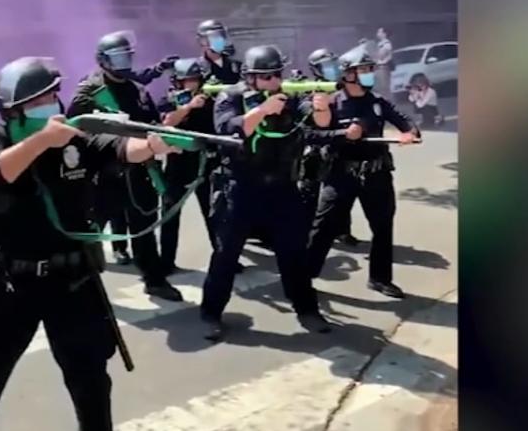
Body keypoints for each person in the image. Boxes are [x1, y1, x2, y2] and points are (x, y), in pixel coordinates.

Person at [0, 56, 178, 431]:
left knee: (92, 389)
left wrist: (154, 143)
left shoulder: (74, 137)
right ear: (14, 109)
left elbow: (119, 147)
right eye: (42, 99)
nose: (54, 104)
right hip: (10, 286)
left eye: (54, 95)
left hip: (73, 282)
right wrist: (41, 142)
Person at [199, 45, 341, 341]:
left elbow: (320, 122)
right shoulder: (232, 97)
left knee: (293, 254)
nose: (274, 81)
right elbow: (228, 130)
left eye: (277, 74)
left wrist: (321, 105)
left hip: (282, 189)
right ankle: (211, 313)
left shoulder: (291, 96)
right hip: (240, 188)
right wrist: (261, 111)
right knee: (226, 255)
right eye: (266, 76)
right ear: (250, 78)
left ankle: (307, 309)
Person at [67, 31, 183, 301]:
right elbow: (75, 129)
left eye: (127, 55)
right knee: (90, 231)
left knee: (144, 227)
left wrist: (166, 138)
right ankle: (78, 283)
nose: (125, 61)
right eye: (118, 56)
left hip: (138, 170)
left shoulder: (138, 90)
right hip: (103, 174)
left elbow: (152, 124)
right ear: (103, 60)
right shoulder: (89, 90)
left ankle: (154, 280)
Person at [306, 45, 420, 299]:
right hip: (341, 174)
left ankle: (380, 279)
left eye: (371, 69)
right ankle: (304, 278)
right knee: (323, 227)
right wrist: (343, 135)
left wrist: (409, 133)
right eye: (364, 69)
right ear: (347, 74)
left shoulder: (377, 102)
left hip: (376, 174)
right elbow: (314, 134)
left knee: (382, 227)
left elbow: (406, 121)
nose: (369, 74)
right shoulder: (330, 102)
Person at [156, 59, 218, 275]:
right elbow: (165, 123)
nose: (191, 84)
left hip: (205, 163)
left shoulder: (210, 99)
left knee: (214, 213)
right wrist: (189, 107)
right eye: (187, 80)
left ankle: (222, 257)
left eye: (195, 80)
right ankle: (166, 262)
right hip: (178, 165)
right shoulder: (170, 99)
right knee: (171, 215)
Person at [298, 49, 357, 245]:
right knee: (309, 194)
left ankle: (342, 230)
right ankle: (306, 234)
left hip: (339, 147)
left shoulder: (344, 89)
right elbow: (307, 125)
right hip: (315, 151)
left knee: (343, 194)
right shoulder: (310, 91)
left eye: (333, 64)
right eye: (326, 66)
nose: (331, 69)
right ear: (316, 70)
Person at [195, 19, 243, 85]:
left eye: (221, 36)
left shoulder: (236, 66)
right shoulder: (197, 68)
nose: (219, 40)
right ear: (202, 41)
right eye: (214, 37)